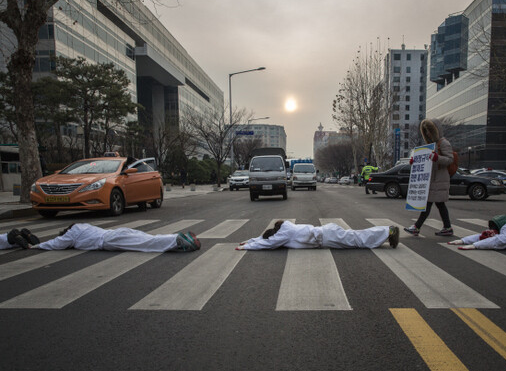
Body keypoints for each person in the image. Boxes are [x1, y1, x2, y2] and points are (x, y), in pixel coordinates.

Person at [404, 118, 455, 236]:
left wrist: (437, 158)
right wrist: (415, 162)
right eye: (425, 131)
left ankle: (417, 227)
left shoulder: (443, 143)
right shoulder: (430, 145)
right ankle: (446, 227)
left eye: (429, 130)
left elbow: (450, 160)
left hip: (439, 179)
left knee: (430, 204)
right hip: (431, 180)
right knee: (436, 204)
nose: (427, 133)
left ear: (435, 130)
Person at [10, 224, 200, 252]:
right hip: (117, 232)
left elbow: (56, 244)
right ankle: (175, 239)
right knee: (146, 238)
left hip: (109, 241)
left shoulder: (71, 234)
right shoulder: (83, 226)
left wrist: (35, 247)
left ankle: (177, 241)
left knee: (145, 244)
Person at [235, 220, 399, 250]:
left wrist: (247, 247)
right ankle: (387, 232)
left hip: (326, 237)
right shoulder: (286, 228)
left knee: (358, 240)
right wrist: (249, 241)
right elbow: (264, 239)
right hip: (327, 233)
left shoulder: (284, 234)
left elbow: (268, 243)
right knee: (356, 236)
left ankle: (388, 231)